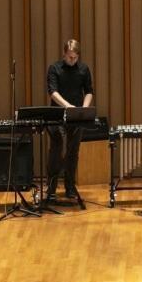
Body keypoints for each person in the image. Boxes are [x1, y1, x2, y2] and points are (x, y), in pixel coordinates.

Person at [46, 39, 94, 200]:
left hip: (76, 116)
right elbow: (53, 92)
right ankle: (51, 188)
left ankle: (70, 187)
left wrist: (84, 108)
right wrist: (68, 106)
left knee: (73, 151)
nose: (72, 60)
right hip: (57, 114)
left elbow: (88, 91)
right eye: (69, 57)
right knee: (56, 149)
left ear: (78, 55)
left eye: (74, 58)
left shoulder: (84, 69)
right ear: (64, 54)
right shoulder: (54, 68)